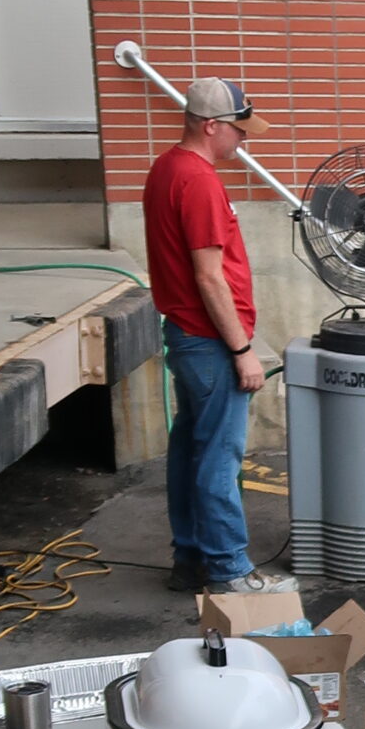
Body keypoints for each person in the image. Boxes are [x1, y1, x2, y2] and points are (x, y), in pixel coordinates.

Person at [140, 77, 281, 594]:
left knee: (192, 450)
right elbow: (208, 275)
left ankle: (190, 558)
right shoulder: (197, 180)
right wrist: (242, 349)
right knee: (219, 455)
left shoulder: (165, 169)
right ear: (211, 125)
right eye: (238, 130)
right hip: (208, 339)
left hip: (186, 334)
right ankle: (228, 568)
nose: (243, 140)